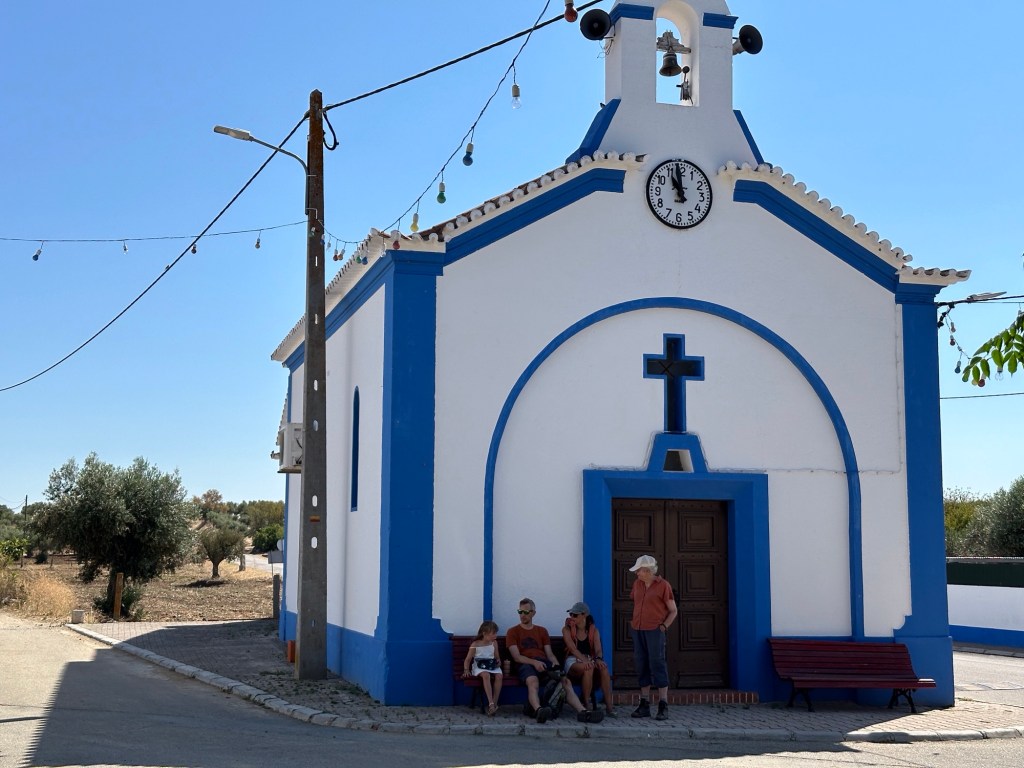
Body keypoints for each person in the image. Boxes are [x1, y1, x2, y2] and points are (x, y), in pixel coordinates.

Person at [506, 597, 605, 724]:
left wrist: (556, 665)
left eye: (526, 612)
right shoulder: (513, 631)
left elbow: (549, 654)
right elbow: (517, 657)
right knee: (533, 681)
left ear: (533, 613)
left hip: (543, 662)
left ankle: (583, 712)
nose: (522, 615)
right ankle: (538, 710)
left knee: (565, 681)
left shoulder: (542, 631)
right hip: (525, 664)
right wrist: (534, 663)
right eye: (520, 612)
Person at [628, 555, 678, 720]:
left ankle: (663, 704)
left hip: (654, 631)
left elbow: (673, 610)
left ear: (648, 571)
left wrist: (663, 626)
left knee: (657, 663)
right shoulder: (637, 584)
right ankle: (644, 704)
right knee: (641, 663)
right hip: (638, 629)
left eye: (639, 571)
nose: (637, 574)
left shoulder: (663, 586)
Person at [561, 601, 616, 717]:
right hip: (573, 660)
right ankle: (586, 703)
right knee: (588, 667)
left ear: (584, 615)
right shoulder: (566, 629)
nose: (572, 617)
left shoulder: (594, 631)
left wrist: (599, 659)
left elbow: (598, 650)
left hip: (589, 659)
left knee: (604, 668)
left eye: (575, 615)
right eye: (570, 615)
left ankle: (609, 706)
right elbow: (572, 649)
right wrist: (585, 660)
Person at [462, 620, 503, 715]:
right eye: (493, 633)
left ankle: (495, 702)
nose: (495, 635)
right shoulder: (475, 644)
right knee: (486, 675)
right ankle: (491, 703)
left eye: (495, 633)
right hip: (479, 666)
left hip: (491, 664)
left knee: (499, 676)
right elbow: (467, 659)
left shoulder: (494, 643)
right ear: (484, 633)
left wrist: (498, 662)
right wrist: (466, 670)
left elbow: (497, 656)